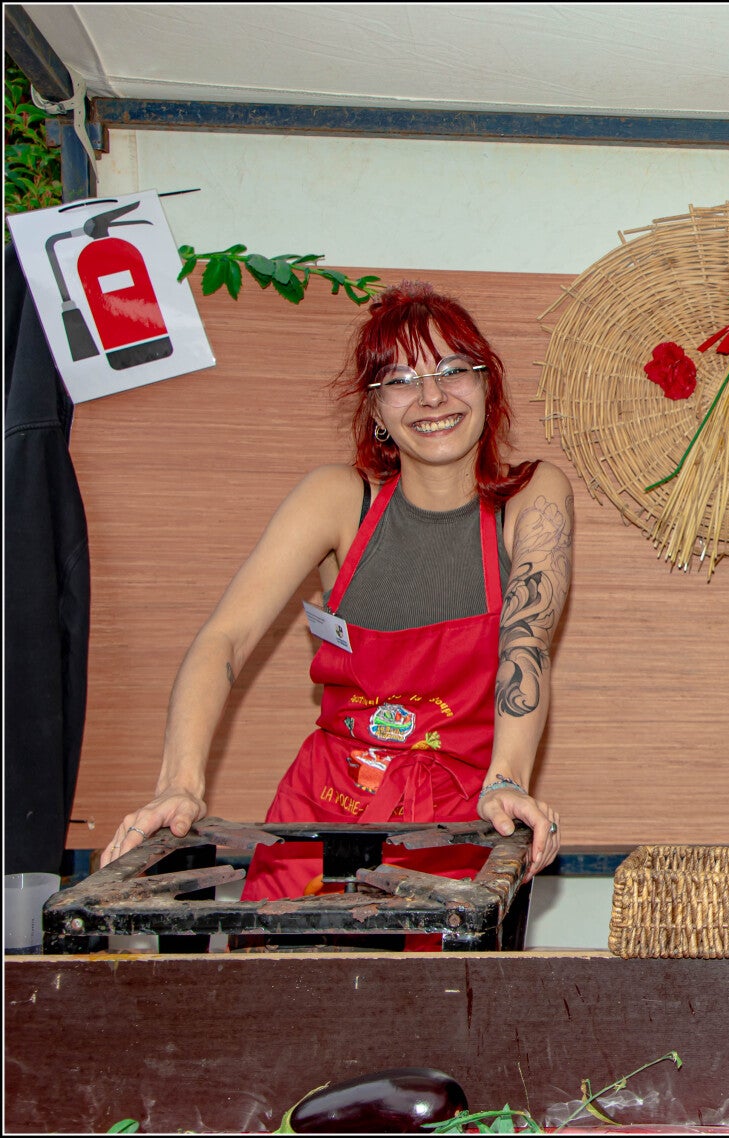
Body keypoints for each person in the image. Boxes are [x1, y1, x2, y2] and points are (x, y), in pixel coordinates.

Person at [102, 281, 572, 896]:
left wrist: (506, 779)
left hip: (465, 819)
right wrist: (179, 785)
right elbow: (225, 639)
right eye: (400, 379)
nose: (432, 396)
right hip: (319, 812)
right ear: (376, 409)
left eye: (453, 370)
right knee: (281, 960)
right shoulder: (335, 498)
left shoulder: (532, 496)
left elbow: (526, 645)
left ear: (488, 385)